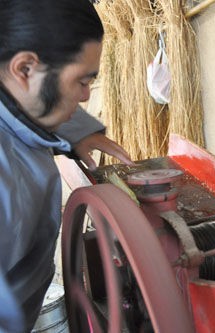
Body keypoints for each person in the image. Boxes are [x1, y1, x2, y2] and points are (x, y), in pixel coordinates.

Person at [0, 0, 134, 331]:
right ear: (25, 69)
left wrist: (75, 129)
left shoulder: (23, 113)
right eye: (82, 81)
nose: (87, 96)